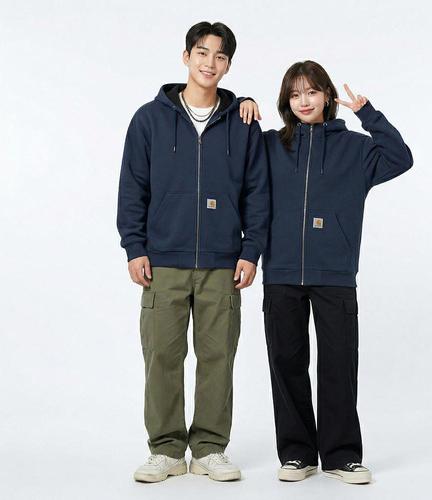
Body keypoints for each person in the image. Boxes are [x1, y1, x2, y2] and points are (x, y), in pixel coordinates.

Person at [241, 60, 413, 483]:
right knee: (286, 363)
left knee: (338, 364)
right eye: (295, 94)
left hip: (334, 274)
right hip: (281, 273)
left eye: (312, 92)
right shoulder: (269, 145)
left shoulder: (355, 148)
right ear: (286, 100)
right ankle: (297, 454)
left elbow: (401, 157)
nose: (304, 101)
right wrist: (240, 102)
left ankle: (341, 456)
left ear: (327, 96)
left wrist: (368, 113)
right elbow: (229, 148)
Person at [117, 21, 269, 483]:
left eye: (220, 56)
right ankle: (165, 449)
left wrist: (251, 250)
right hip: (163, 260)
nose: (210, 63)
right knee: (162, 357)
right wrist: (135, 246)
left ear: (228, 65)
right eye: (202, 53)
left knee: (217, 357)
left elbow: (257, 193)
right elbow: (133, 187)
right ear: (186, 56)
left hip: (223, 263)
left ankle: (208, 448)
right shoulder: (149, 119)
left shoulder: (243, 123)